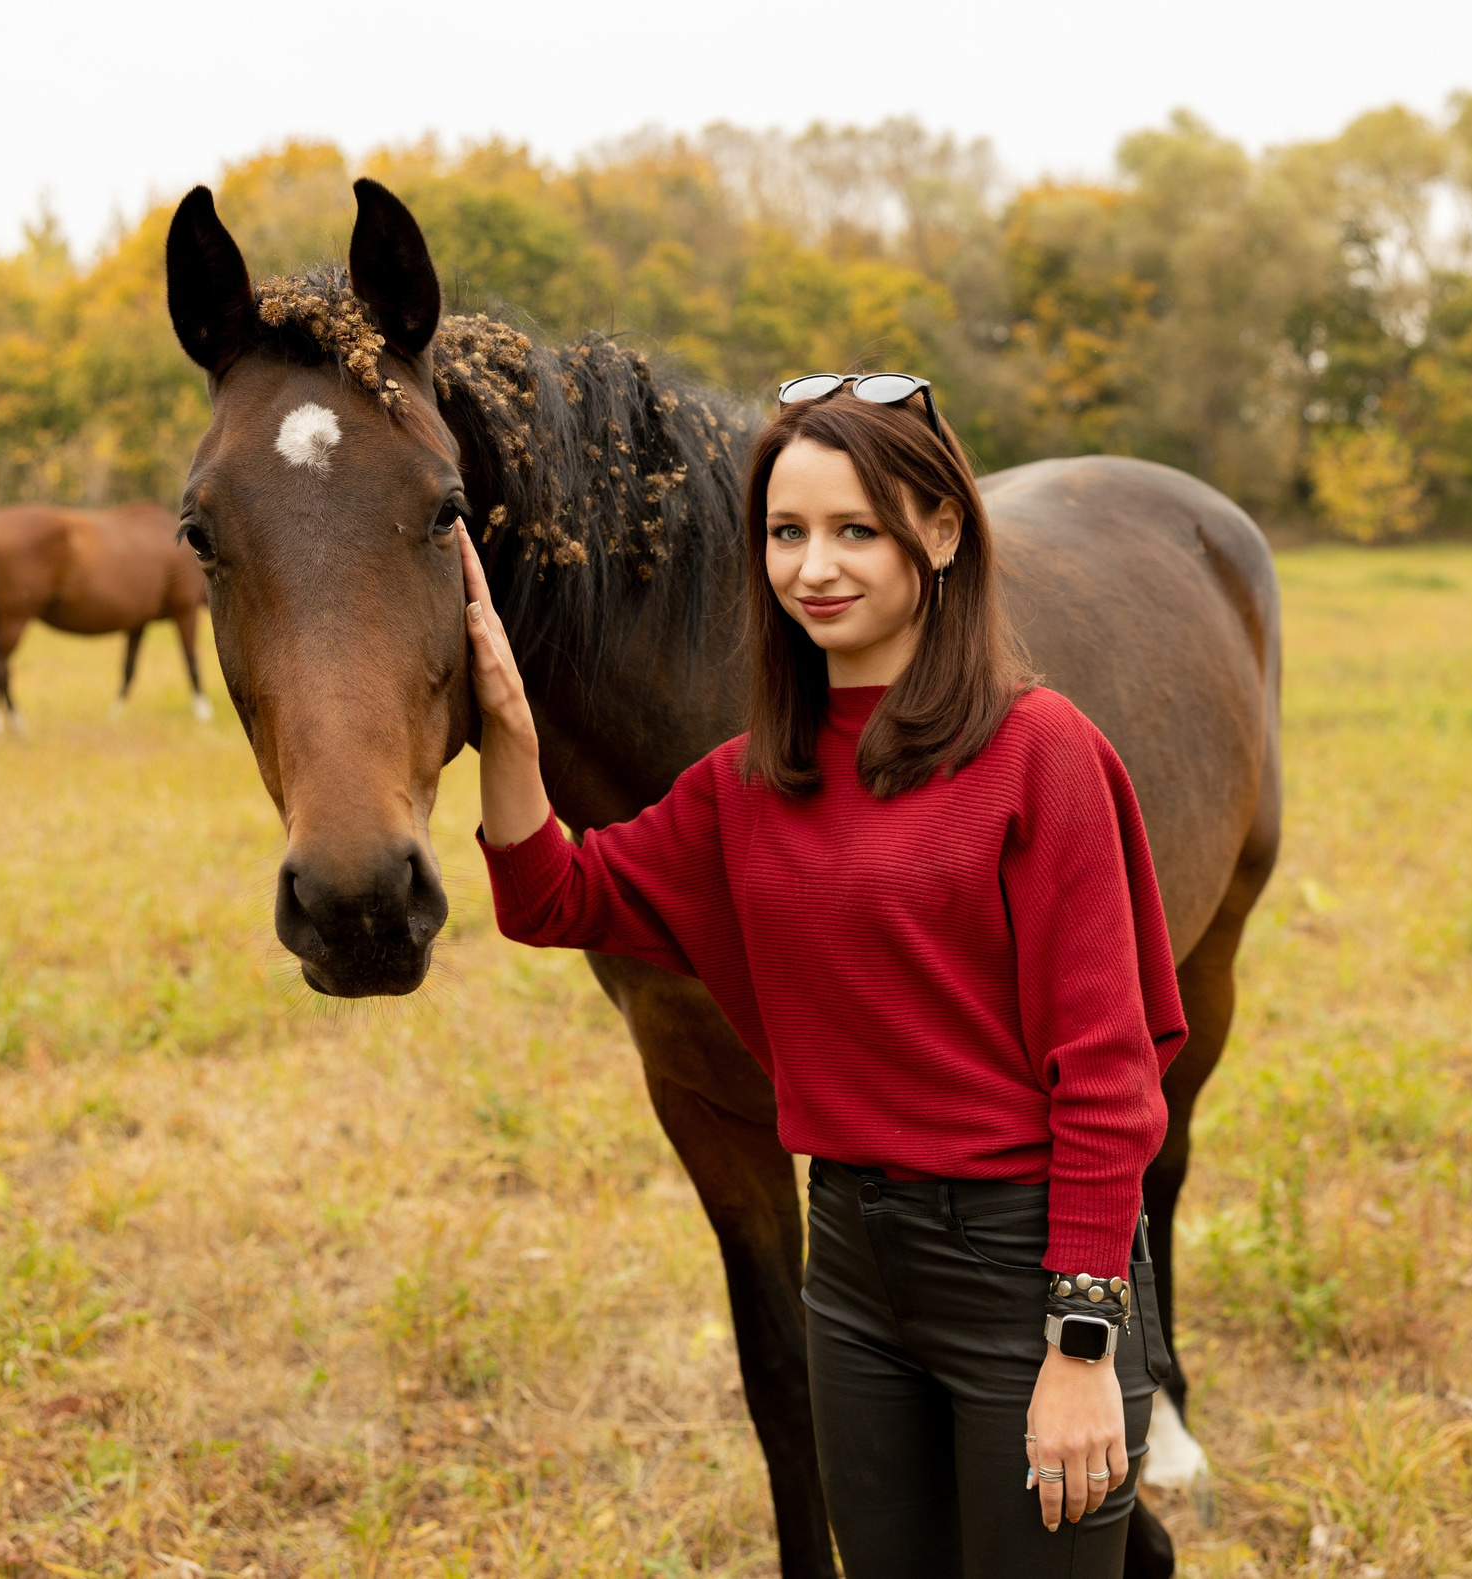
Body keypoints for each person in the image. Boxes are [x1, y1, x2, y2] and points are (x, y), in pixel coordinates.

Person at [459, 371, 1184, 1577]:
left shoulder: (1037, 752)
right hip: (850, 1264)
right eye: (786, 534)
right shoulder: (749, 782)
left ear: (941, 532)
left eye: (856, 530)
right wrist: (509, 728)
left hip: (1022, 1265)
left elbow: (1108, 1076)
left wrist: (1081, 1345)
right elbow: (551, 899)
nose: (815, 568)